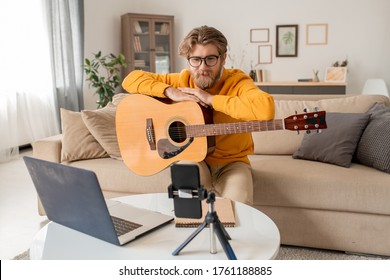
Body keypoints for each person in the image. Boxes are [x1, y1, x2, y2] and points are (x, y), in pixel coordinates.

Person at [122, 25, 274, 205]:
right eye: (195, 59)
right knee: (186, 200)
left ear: (223, 58)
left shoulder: (237, 81)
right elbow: (130, 79)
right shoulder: (181, 80)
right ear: (188, 60)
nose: (202, 67)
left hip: (232, 164)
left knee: (238, 207)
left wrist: (211, 99)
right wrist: (169, 91)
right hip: (194, 159)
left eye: (210, 59)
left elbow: (266, 109)